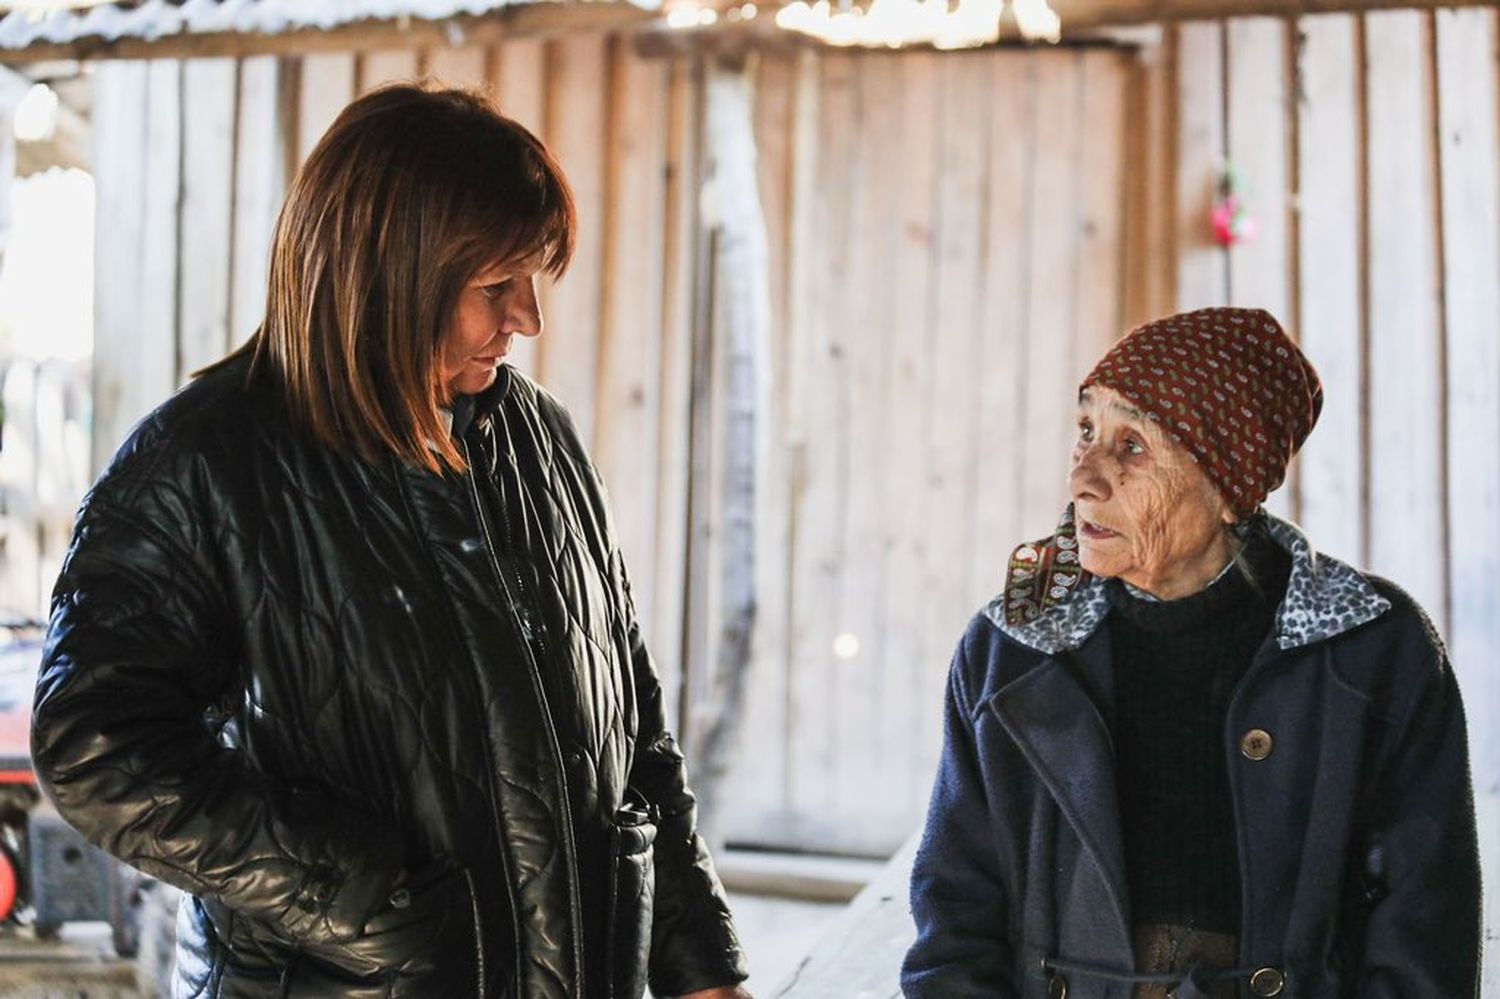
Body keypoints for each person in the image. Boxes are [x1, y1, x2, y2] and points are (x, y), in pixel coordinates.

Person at [31, 84, 751, 999]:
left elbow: (632, 723)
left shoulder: (542, 442)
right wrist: (368, 905)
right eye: (497, 285)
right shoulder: (205, 464)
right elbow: (96, 745)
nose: (527, 317)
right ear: (392, 273)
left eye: (531, 281)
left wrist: (701, 964)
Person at [902, 308, 1480, 998]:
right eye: (1085, 430)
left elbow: (1425, 931)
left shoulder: (1373, 650)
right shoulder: (1009, 647)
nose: (1083, 476)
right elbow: (954, 912)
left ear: (1228, 484)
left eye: (1133, 446)